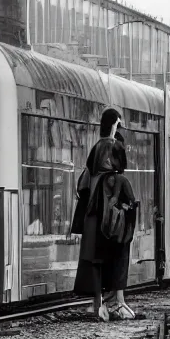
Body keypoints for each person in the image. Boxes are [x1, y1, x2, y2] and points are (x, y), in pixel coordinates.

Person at [71, 108, 138, 321]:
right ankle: (117, 303)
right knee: (117, 257)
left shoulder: (94, 150)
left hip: (93, 216)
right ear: (113, 124)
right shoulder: (114, 152)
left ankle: (98, 303)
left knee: (96, 261)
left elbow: (83, 186)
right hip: (109, 219)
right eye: (118, 123)